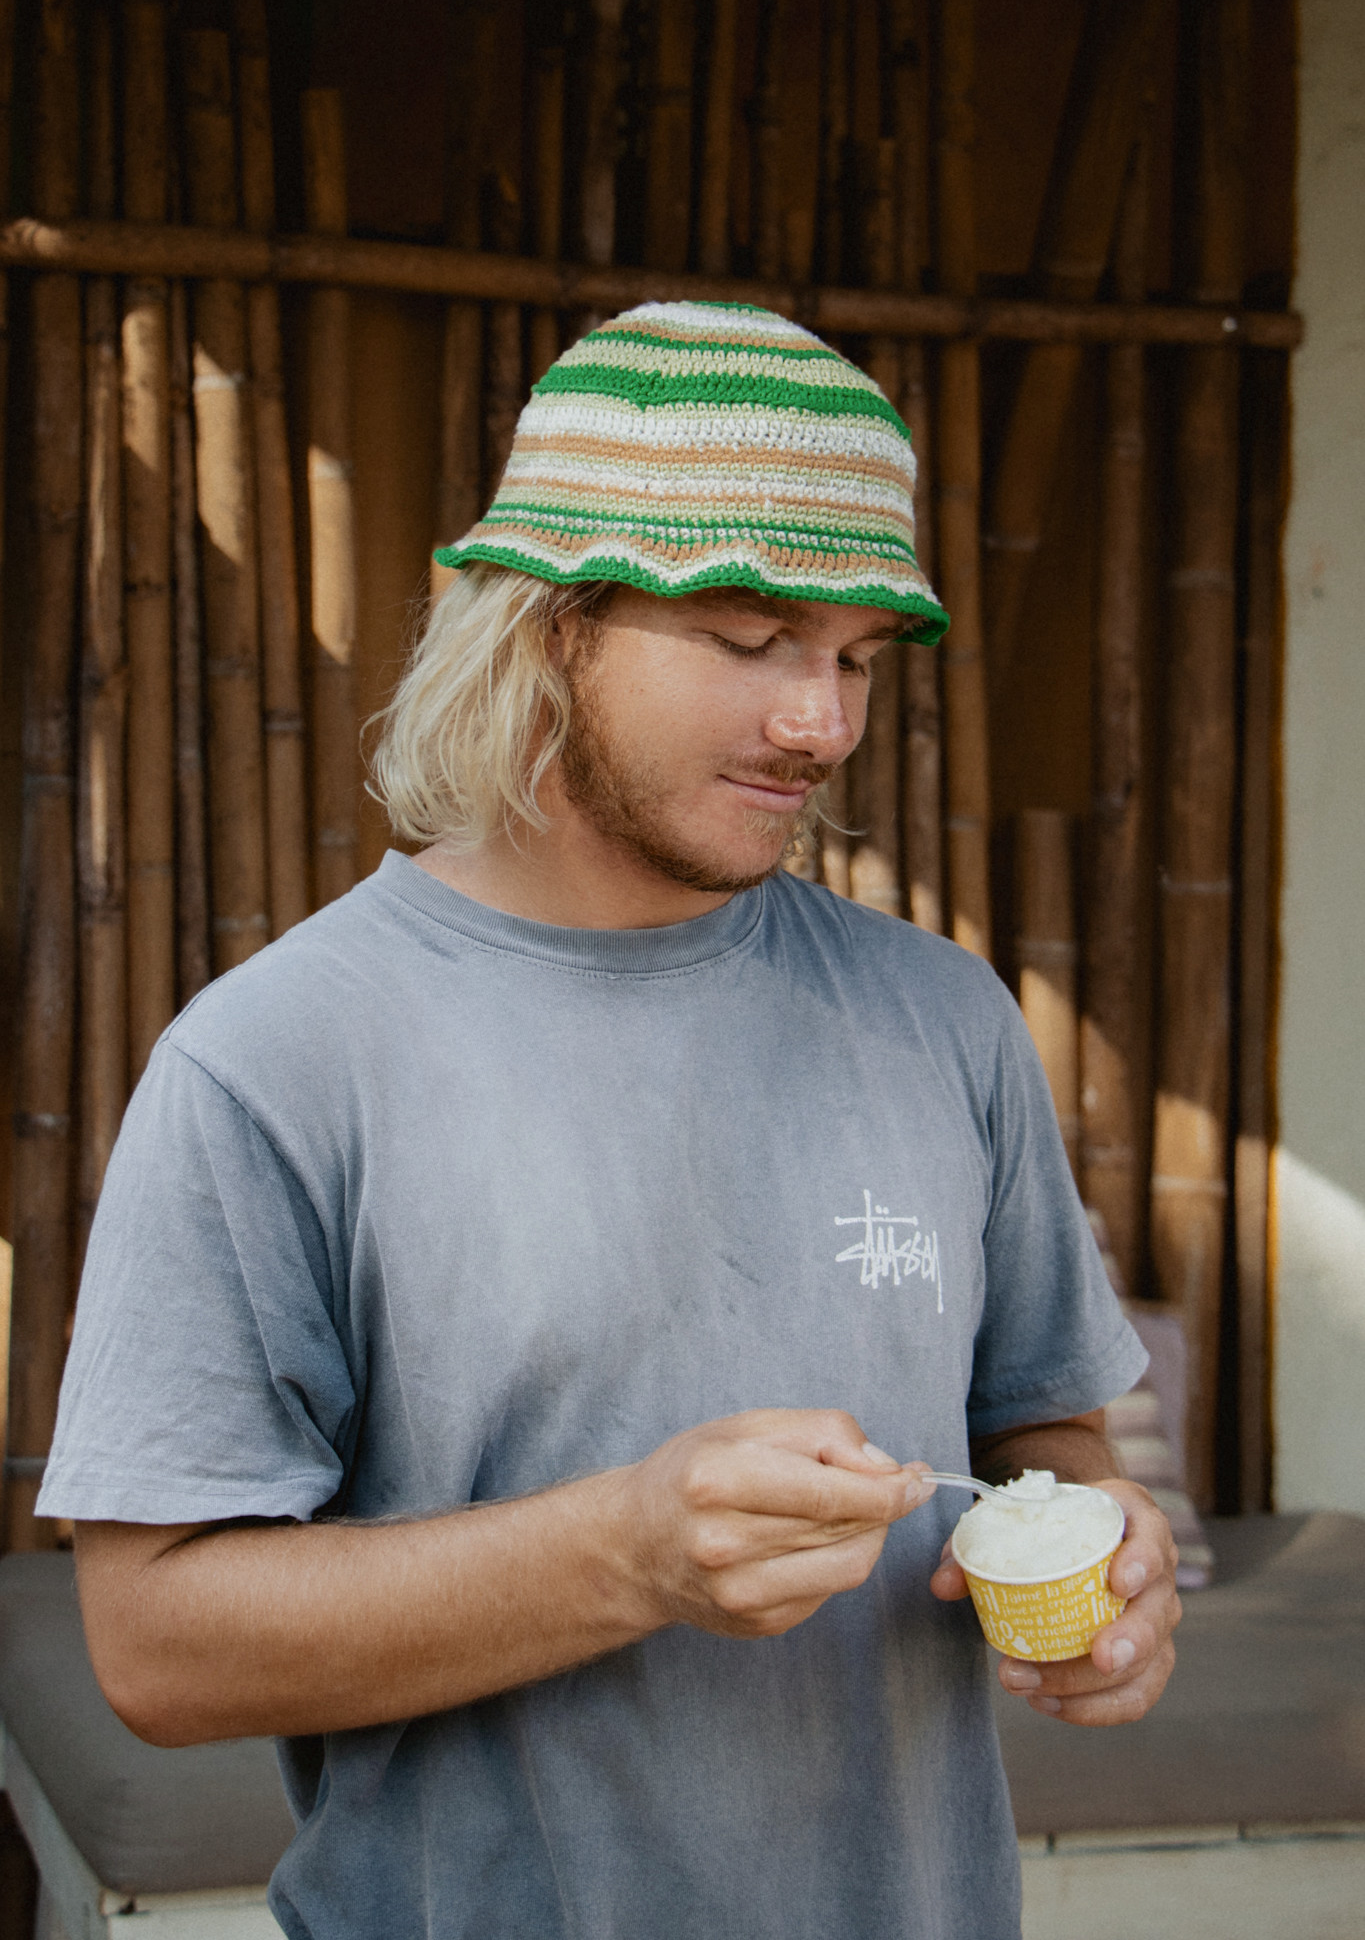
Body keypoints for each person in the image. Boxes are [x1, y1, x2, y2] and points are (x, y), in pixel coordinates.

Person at [41, 301, 1178, 1940]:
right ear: (548, 623)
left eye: (855, 658)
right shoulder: (277, 1058)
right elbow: (152, 1650)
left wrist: (1112, 1563)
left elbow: (1040, 1440)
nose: (823, 725)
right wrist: (627, 1555)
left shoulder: (942, 1018)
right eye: (747, 637)